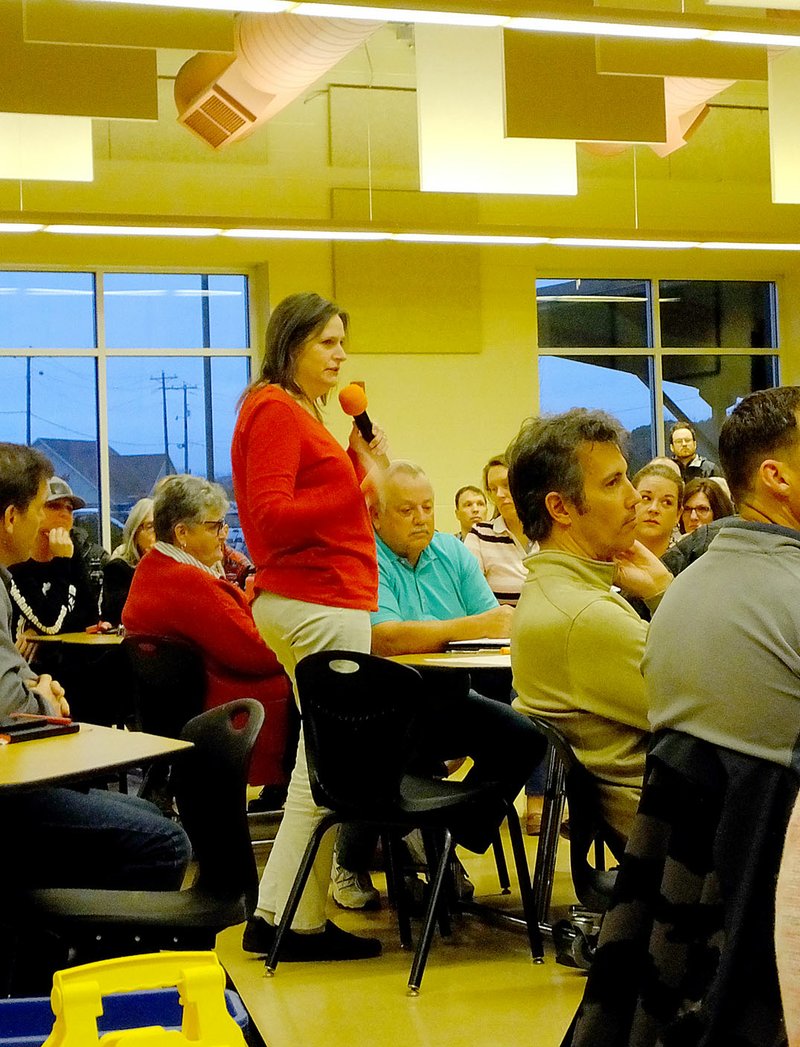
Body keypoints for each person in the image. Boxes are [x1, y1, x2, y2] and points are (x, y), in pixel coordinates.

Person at [232, 291, 388, 963]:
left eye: (342, 343)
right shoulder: (273, 408)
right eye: (327, 342)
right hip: (317, 600)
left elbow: (299, 506)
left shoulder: (293, 411)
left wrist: (354, 464)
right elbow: (269, 518)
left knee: (314, 767)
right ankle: (291, 922)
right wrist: (354, 484)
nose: (340, 354)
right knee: (322, 770)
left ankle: (281, 914)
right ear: (292, 342)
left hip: (317, 598)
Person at [333, 460, 544, 910]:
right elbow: (385, 638)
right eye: (407, 510)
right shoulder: (366, 558)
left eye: (427, 507)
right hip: (382, 707)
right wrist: (469, 625)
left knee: (525, 737)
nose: (421, 518)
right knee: (399, 759)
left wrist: (473, 626)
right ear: (376, 515)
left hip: (448, 697)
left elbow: (498, 626)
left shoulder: (452, 552)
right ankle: (352, 858)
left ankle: (454, 833)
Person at [0, 443, 190, 905]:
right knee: (165, 840)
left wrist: (38, 689)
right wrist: (44, 698)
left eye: (67, 509)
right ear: (12, 518)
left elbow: (88, 616)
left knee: (140, 810)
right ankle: (75, 952)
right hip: (13, 772)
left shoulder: (65, 558)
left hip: (60, 692)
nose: (61, 519)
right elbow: (32, 655)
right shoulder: (10, 576)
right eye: (50, 506)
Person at [507, 409, 672, 843]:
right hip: (684, 834)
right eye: (613, 483)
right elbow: (719, 701)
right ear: (560, 508)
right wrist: (664, 591)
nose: (636, 497)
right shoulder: (583, 616)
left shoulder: (554, 595)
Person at [122, 475, 291, 792]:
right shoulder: (187, 582)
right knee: (308, 680)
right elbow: (254, 653)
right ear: (182, 532)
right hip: (223, 714)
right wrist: (295, 646)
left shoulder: (152, 569)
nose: (223, 535)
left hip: (188, 713)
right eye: (214, 526)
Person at [463, 454, 532, 605]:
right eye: (493, 489)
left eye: (506, 485)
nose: (499, 495)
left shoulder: (551, 530)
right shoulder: (479, 535)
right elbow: (472, 597)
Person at [101, 497, 155, 626]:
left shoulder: (173, 568)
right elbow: (117, 615)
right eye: (151, 527)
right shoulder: (118, 569)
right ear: (135, 531)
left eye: (162, 527)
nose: (158, 533)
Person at [632, 462, 683, 558]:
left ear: (678, 514)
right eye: (646, 498)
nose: (654, 508)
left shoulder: (690, 564)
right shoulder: (606, 558)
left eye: (666, 502)